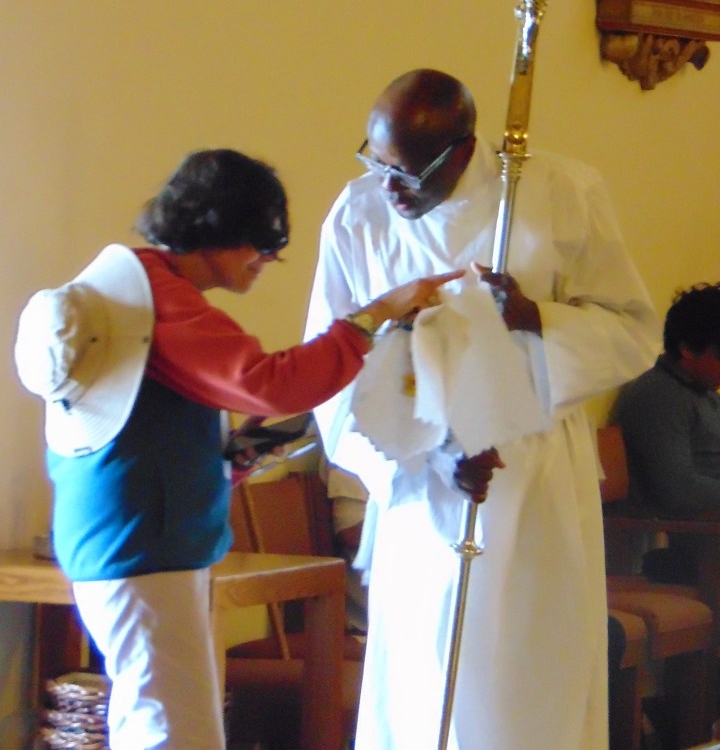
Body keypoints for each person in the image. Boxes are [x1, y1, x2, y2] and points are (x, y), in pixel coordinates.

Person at [13, 147, 462, 750]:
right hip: (142, 545)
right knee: (174, 733)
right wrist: (375, 316)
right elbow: (271, 383)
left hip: (125, 539)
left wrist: (232, 455)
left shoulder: (139, 287)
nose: (269, 260)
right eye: (265, 242)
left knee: (148, 718)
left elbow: (147, 425)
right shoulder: (158, 300)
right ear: (220, 230)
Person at [305, 69, 661, 750]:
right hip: (418, 480)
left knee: (531, 676)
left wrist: (537, 319)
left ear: (463, 148)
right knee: (427, 673)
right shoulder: (358, 214)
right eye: (375, 163)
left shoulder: (558, 192)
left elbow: (633, 329)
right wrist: (423, 454)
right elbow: (333, 370)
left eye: (406, 173)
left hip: (533, 475)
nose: (389, 188)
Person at [615, 283, 720, 583]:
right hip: (695, 540)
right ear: (687, 348)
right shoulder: (660, 396)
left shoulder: (703, 393)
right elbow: (677, 490)